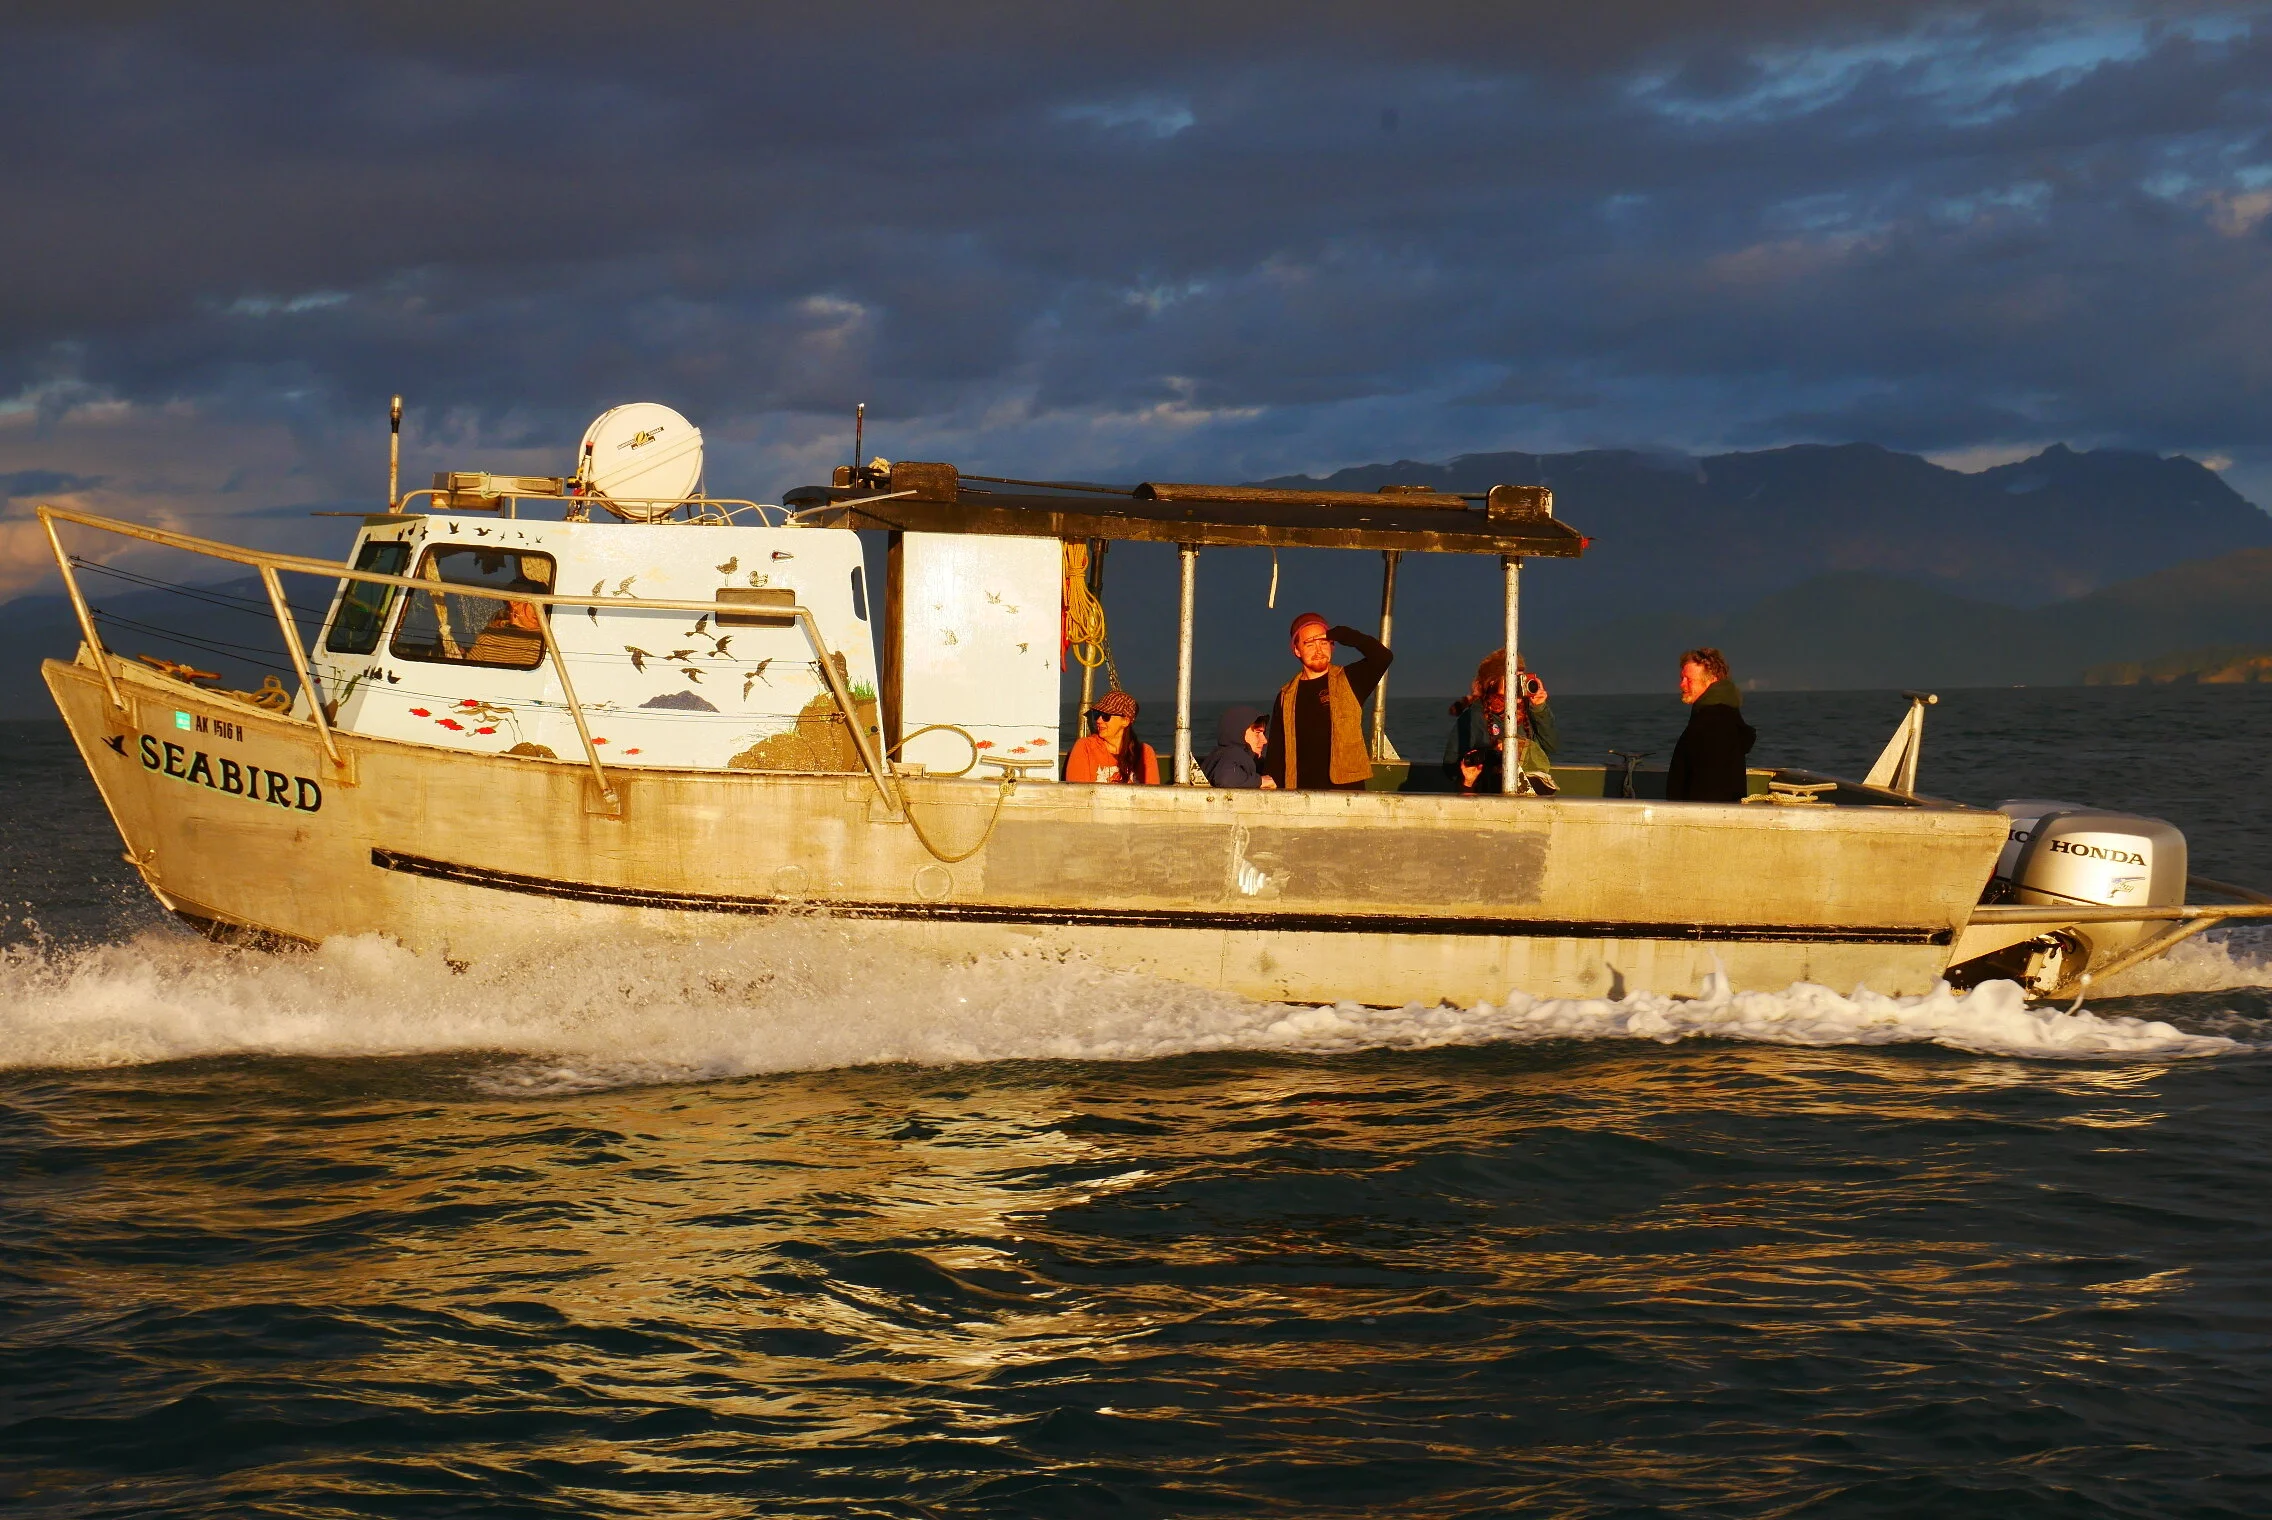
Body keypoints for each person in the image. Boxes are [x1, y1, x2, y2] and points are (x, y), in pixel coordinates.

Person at [1262, 613, 1392, 791]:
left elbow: (1383, 657)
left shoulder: (1350, 679)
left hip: (1346, 790)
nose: (1318, 650)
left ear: (1332, 646)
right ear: (1297, 650)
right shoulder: (1286, 694)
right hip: (1300, 791)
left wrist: (1345, 634)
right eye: (1310, 644)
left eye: (1324, 643)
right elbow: (1276, 751)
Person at [1442, 648, 1559, 794]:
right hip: (1492, 788)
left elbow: (1550, 747)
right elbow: (1450, 765)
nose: (1518, 685)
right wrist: (1489, 755)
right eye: (1513, 680)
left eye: (1521, 679)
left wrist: (1540, 709)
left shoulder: (1530, 710)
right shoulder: (1475, 716)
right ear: (1493, 682)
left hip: (1532, 785)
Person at [1666, 646, 1756, 802]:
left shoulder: (1713, 725)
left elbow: (1710, 788)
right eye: (1682, 678)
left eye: (1689, 680)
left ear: (1712, 680)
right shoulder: (1722, 717)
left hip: (1702, 814)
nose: (1682, 685)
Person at [1066, 689, 1159, 784]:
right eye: (1097, 714)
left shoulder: (1145, 753)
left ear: (1125, 721)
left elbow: (1151, 791)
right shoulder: (1085, 747)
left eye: (1106, 716)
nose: (1098, 720)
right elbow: (1077, 791)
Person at [1200, 704, 1277, 789]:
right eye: (1257, 733)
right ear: (1239, 733)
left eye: (1263, 733)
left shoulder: (1218, 755)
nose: (1265, 740)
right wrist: (1260, 781)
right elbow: (1225, 779)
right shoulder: (1234, 753)